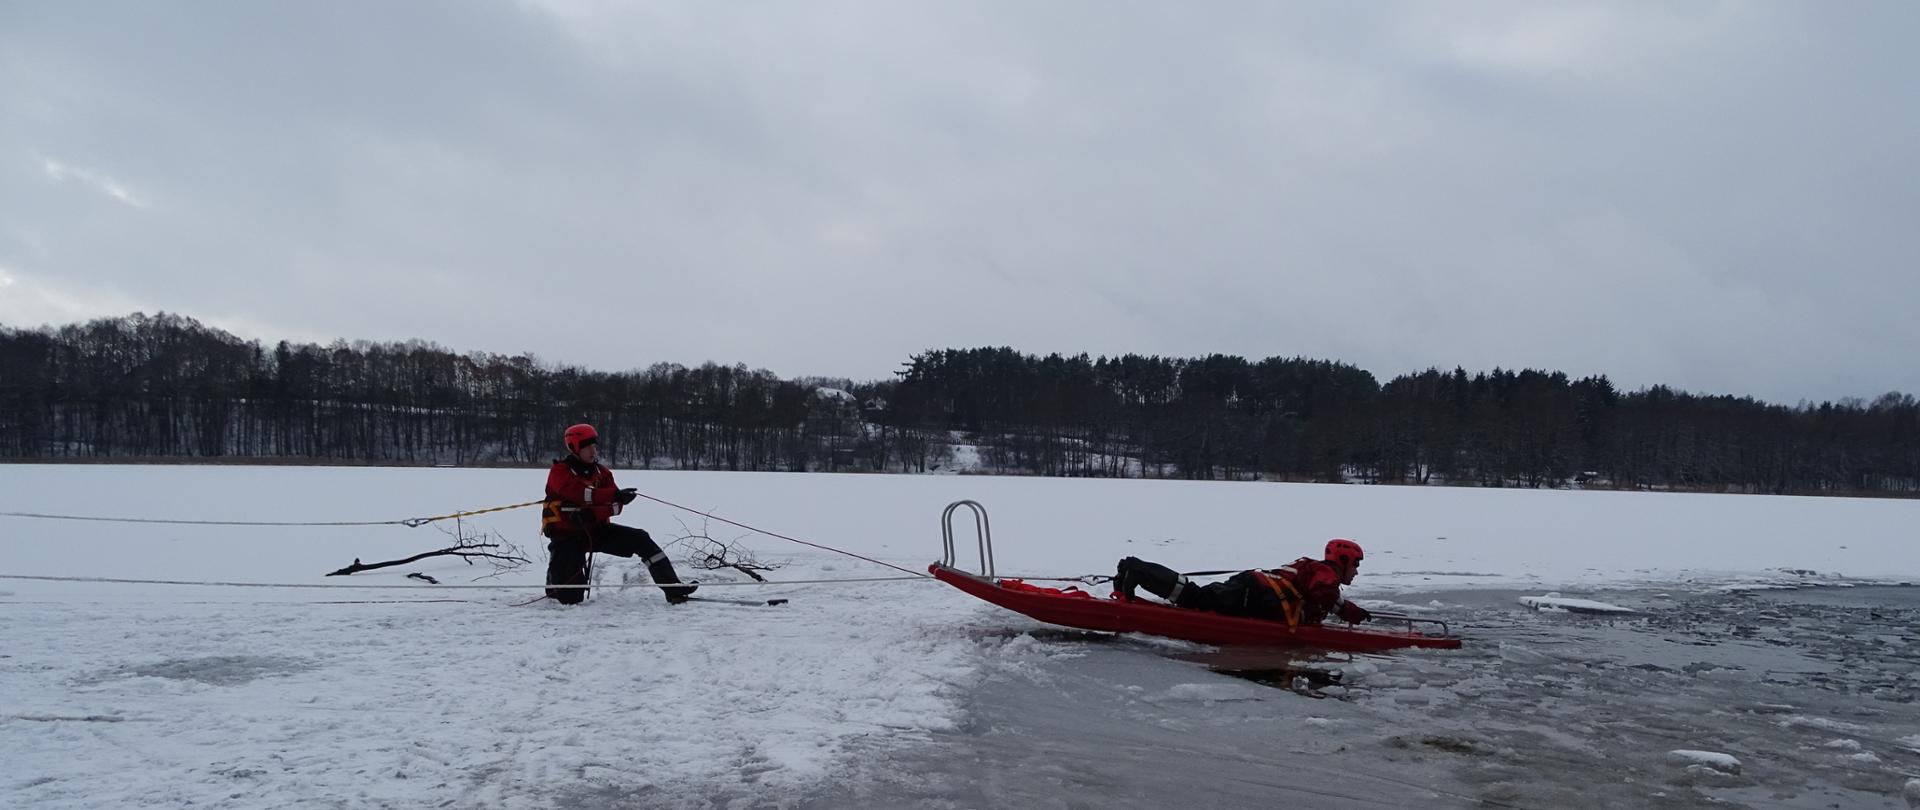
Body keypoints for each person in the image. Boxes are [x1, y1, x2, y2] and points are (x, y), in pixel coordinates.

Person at [540, 423, 696, 605]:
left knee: (641, 539)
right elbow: (582, 494)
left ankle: (673, 588)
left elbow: (616, 507)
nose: (593, 451)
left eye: (594, 446)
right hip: (567, 536)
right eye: (587, 447)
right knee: (568, 598)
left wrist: (594, 513)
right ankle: (555, 582)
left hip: (596, 531)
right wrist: (613, 495)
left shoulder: (603, 473)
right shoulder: (560, 472)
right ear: (575, 448)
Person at [1113, 539, 1372, 626]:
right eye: (1356, 565)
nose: (1356, 572)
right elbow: (1323, 592)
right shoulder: (1325, 574)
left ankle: (1135, 571)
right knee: (1193, 598)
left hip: (1253, 589)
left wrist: (1347, 611)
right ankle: (1136, 568)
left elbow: (1323, 594)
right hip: (1253, 595)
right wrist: (1351, 612)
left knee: (1193, 596)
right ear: (1344, 560)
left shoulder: (1314, 568)